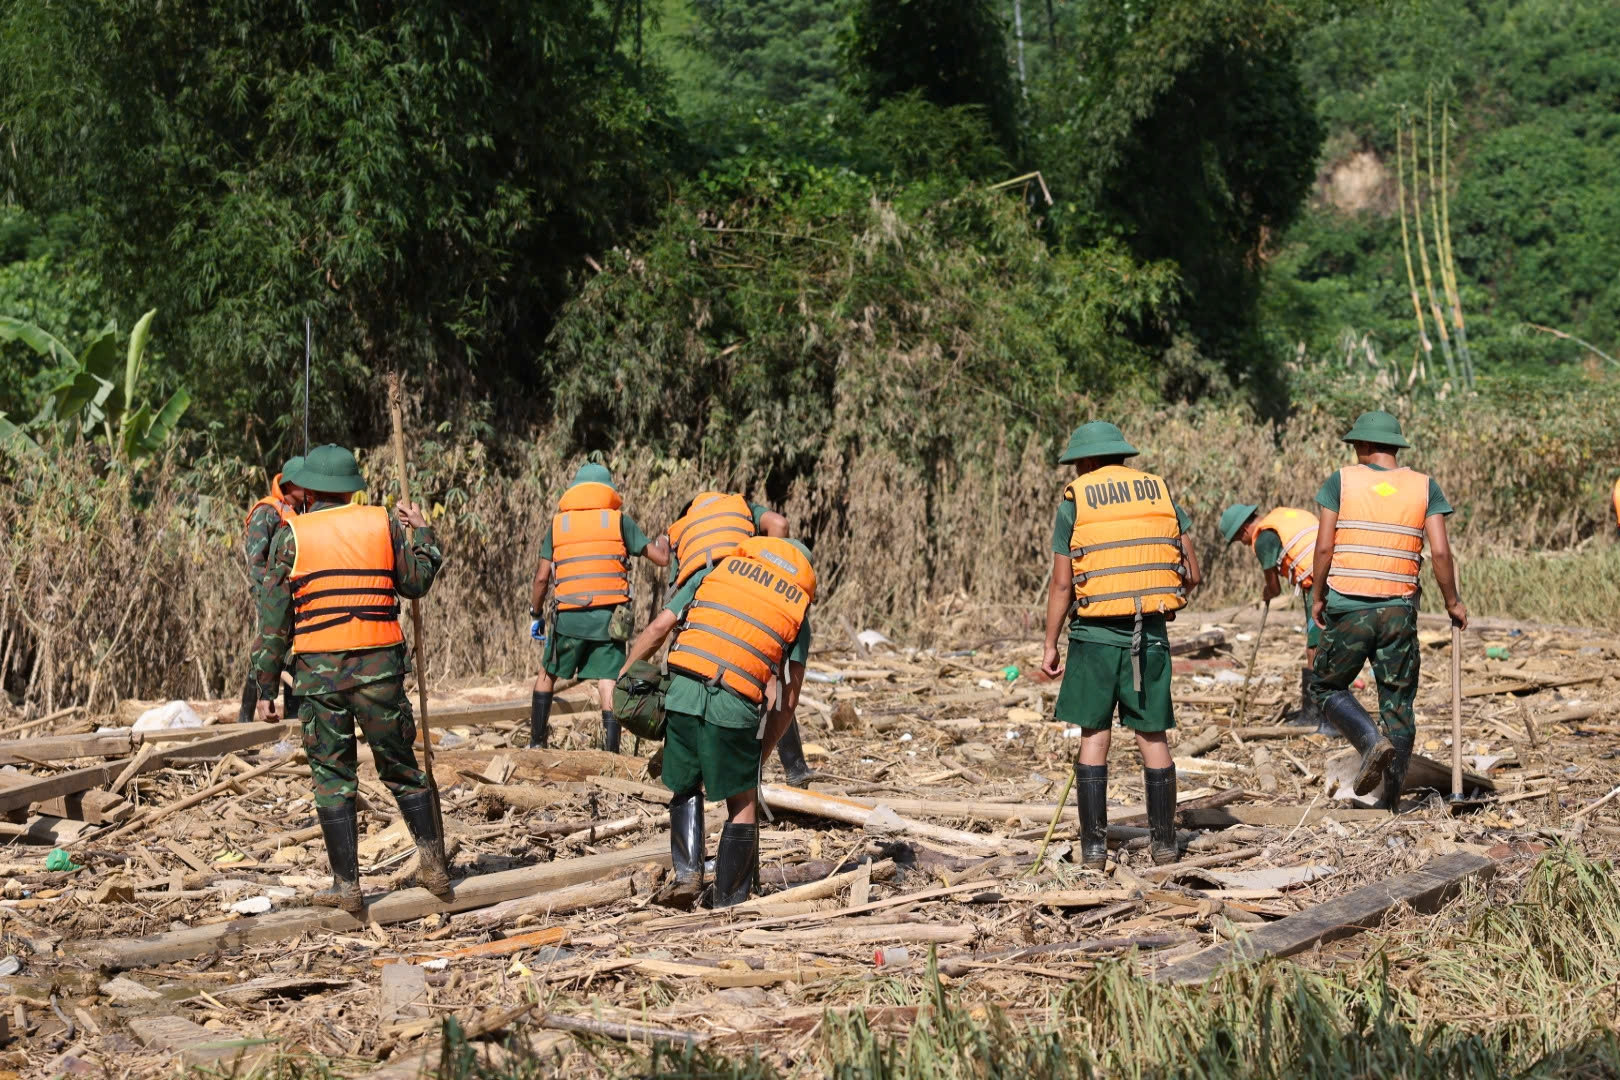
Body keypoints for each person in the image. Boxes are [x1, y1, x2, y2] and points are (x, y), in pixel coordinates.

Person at [250, 445, 448, 913]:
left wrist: (266, 686)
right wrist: (422, 531)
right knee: (401, 766)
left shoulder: (290, 536)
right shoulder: (383, 523)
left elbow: (273, 620)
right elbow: (416, 582)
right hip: (381, 671)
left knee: (332, 777)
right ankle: (435, 866)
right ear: (351, 489)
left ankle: (347, 886)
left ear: (310, 490)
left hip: (320, 679)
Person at [621, 536, 815, 909]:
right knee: (742, 802)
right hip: (733, 705)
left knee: (685, 785)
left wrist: (624, 677)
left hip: (682, 692)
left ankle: (687, 875)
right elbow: (787, 701)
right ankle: (729, 902)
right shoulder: (795, 609)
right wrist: (760, 756)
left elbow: (659, 628)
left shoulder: (718, 571)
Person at [1040, 422, 1201, 869]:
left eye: (1078, 464)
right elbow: (1192, 572)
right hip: (1149, 634)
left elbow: (1062, 584)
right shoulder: (1158, 493)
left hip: (1093, 637)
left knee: (1094, 736)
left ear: (1089, 461)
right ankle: (1165, 844)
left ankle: (1093, 849)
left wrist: (1050, 643)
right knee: (1153, 737)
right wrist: (1161, 600)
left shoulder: (1075, 501)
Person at [1307, 411, 1467, 811]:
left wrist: (1317, 595)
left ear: (1363, 445)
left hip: (1348, 606)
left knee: (1326, 687)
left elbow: (1324, 547)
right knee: (1398, 706)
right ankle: (1390, 803)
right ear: (1395, 446)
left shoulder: (1341, 481)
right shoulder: (1424, 487)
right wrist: (1452, 602)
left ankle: (1368, 742)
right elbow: (1441, 552)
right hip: (1398, 609)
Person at [663, 491, 815, 785]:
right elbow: (780, 524)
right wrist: (777, 566)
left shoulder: (684, 530)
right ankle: (791, 766)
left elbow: (670, 612)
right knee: (764, 676)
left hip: (714, 589)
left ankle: (689, 763)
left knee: (693, 663)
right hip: (751, 580)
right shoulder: (742, 508)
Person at [528, 463, 668, 752]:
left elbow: (542, 578)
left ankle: (536, 743)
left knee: (547, 674)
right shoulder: (619, 521)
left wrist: (536, 613)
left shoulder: (559, 524)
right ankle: (611, 752)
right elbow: (661, 559)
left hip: (568, 618)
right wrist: (664, 541)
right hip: (609, 620)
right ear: (608, 491)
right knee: (608, 680)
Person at [1219, 503, 1326, 731]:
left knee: (1315, 648)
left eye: (1239, 540)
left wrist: (1267, 592)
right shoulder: (1282, 516)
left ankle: (1316, 713)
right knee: (1322, 645)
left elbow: (1274, 588)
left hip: (1321, 581)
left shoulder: (1264, 538)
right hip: (1332, 572)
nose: (1244, 544)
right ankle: (1320, 710)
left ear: (1244, 529)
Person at [240, 457, 304, 723]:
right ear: (289, 485)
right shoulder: (267, 512)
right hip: (273, 596)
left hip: (296, 596)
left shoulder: (299, 513)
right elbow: (256, 561)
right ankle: (245, 718)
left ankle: (293, 717)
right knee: (265, 649)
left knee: (294, 654)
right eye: (303, 484)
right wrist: (268, 598)